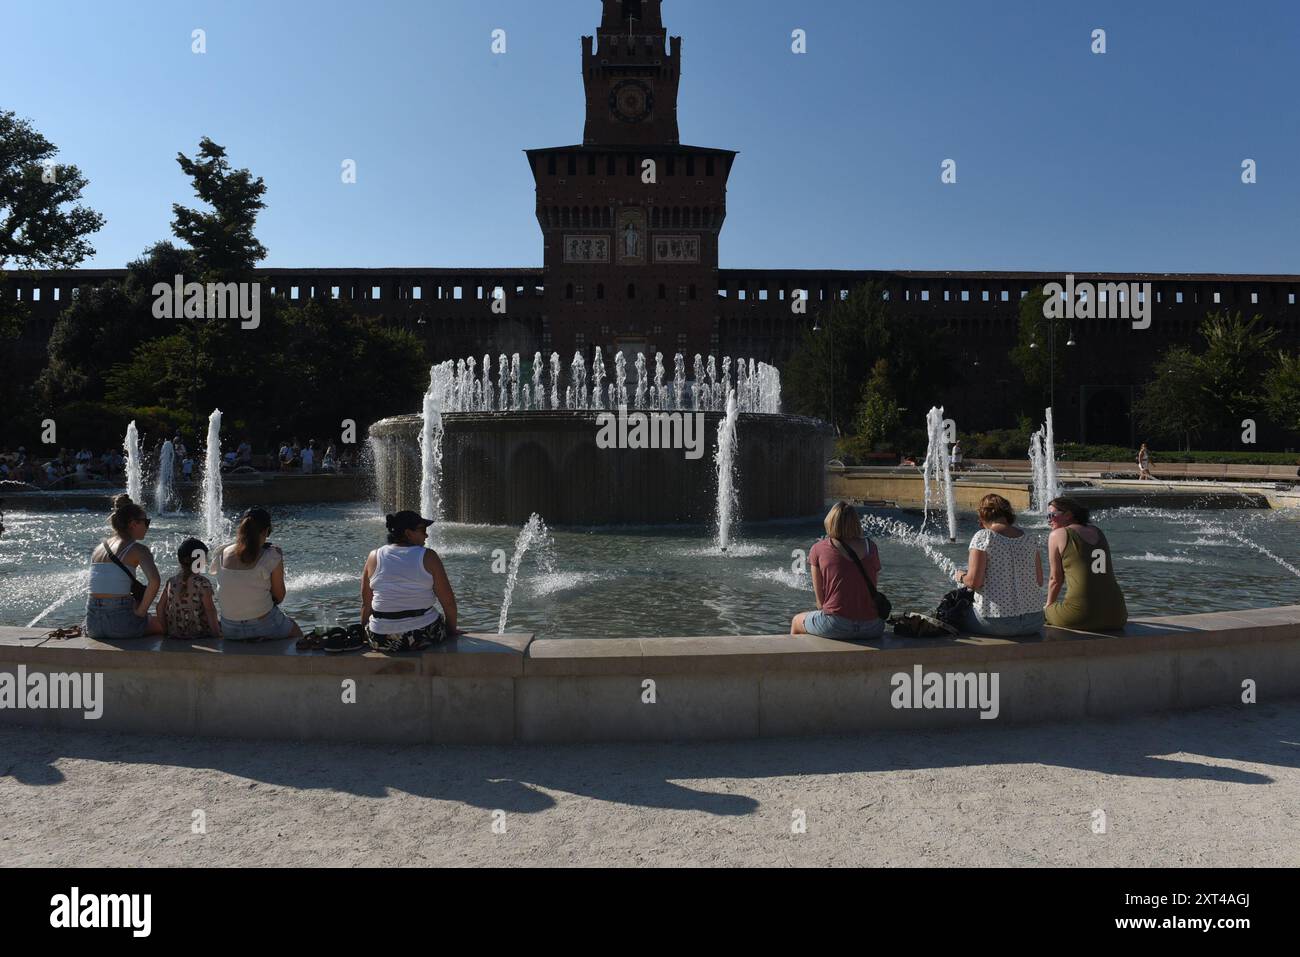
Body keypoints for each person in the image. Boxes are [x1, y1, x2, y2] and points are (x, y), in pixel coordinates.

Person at [361, 511, 458, 652]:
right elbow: (448, 603)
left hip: (380, 637)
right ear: (408, 533)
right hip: (421, 635)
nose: (426, 535)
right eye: (423, 530)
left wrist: (364, 633)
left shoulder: (373, 556)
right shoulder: (429, 556)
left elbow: (366, 604)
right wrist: (451, 631)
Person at [791, 500, 885, 641]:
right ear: (856, 523)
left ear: (830, 521)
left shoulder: (818, 549)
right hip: (872, 626)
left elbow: (820, 602)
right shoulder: (871, 547)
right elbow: (872, 588)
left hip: (836, 625)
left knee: (796, 621)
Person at [952, 494, 1044, 636]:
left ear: (982, 517)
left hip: (997, 623)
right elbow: (1039, 581)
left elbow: (974, 582)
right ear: (1008, 515)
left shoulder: (984, 536)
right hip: (1034, 621)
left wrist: (960, 576)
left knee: (950, 610)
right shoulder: (1029, 538)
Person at [213, 507, 302, 640]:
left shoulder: (222, 552)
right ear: (266, 531)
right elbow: (279, 596)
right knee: (297, 634)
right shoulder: (271, 554)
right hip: (264, 625)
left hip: (229, 628)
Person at [1043, 496, 1128, 631]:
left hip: (1081, 615)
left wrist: (1048, 607)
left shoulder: (1057, 535)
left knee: (1042, 613)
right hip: (1118, 614)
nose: (1048, 520)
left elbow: (1055, 579)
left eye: (1052, 515)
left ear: (1068, 515)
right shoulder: (1097, 531)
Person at [85, 494, 163, 638]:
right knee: (168, 623)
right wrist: (140, 612)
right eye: (146, 522)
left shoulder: (99, 548)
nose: (148, 526)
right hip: (120, 624)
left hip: (92, 624)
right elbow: (155, 581)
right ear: (133, 524)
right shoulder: (138, 549)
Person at [158, 538, 221, 639]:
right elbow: (210, 610)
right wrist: (216, 635)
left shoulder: (171, 581)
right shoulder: (203, 583)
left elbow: (159, 608)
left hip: (175, 633)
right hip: (198, 633)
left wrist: (166, 631)